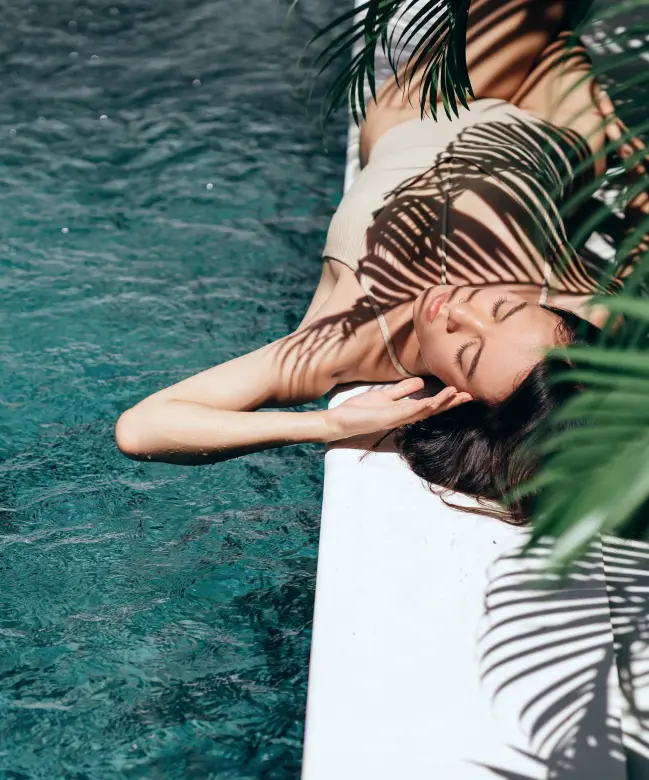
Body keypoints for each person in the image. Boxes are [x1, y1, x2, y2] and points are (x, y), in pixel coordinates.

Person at [115, 0, 647, 524]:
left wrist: (328, 424)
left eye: (464, 350)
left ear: (459, 400)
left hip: (433, 108)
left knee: (552, 22)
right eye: (504, 308)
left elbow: (142, 429)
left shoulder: (346, 340)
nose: (458, 309)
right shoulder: (574, 320)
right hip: (550, 131)